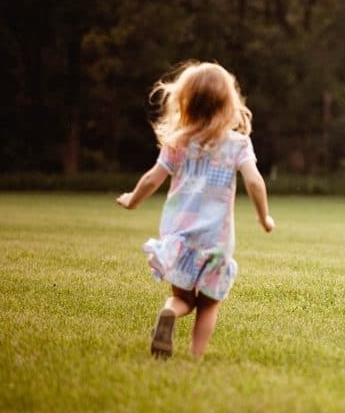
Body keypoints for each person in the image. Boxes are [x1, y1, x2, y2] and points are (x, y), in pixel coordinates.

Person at [116, 61, 275, 358]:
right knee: (209, 304)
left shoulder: (177, 143)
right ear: (229, 103)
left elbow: (152, 178)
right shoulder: (238, 144)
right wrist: (263, 216)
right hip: (215, 242)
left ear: (185, 102)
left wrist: (132, 200)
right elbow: (254, 181)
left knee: (183, 299)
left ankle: (169, 313)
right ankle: (195, 357)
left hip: (180, 238)